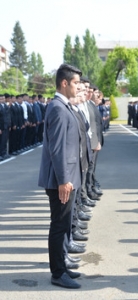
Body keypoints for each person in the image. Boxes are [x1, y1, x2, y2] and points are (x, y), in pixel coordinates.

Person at [38, 64, 82, 289]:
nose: (78, 87)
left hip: (67, 177)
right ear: (64, 83)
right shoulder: (57, 107)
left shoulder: (64, 106)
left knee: (64, 225)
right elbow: (57, 149)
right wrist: (64, 179)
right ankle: (57, 273)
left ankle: (62, 265)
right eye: (75, 83)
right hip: (60, 180)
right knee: (59, 225)